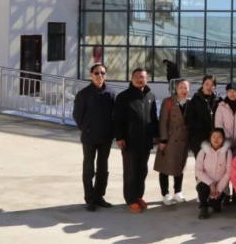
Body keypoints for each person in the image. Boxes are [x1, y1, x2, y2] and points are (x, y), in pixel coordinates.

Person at [73, 63, 116, 212]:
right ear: (91, 75)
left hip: (106, 137)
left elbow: (114, 114)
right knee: (89, 169)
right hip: (89, 137)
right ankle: (90, 199)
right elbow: (77, 115)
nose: (100, 76)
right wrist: (86, 128)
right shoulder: (84, 94)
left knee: (103, 168)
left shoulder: (110, 93)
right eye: (97, 73)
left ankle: (99, 196)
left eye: (102, 73)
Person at [114, 68, 158, 213]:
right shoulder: (123, 97)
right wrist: (120, 137)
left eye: (142, 77)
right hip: (130, 141)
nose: (140, 79)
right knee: (130, 171)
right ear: (132, 78)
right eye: (137, 76)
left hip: (145, 141)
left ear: (147, 79)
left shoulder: (150, 96)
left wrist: (156, 135)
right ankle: (130, 200)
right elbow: (118, 119)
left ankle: (139, 196)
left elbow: (153, 118)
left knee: (142, 170)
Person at [154, 79, 190, 206]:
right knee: (165, 167)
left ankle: (178, 191)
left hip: (183, 139)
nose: (183, 90)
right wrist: (163, 139)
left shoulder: (189, 103)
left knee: (180, 166)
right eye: (181, 87)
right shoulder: (168, 101)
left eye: (186, 88)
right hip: (169, 139)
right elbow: (163, 121)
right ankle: (165, 193)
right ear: (176, 88)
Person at [195, 128, 233, 219]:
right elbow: (198, 170)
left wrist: (218, 189)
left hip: (221, 184)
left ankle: (214, 201)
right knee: (202, 188)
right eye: (214, 136)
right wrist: (211, 184)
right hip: (206, 183)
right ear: (210, 138)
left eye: (219, 137)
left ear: (223, 139)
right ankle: (203, 207)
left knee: (216, 208)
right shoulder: (203, 151)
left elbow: (229, 172)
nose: (216, 139)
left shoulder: (227, 152)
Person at [185, 75, 219, 159]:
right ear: (202, 84)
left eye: (212, 85)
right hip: (199, 137)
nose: (209, 87)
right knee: (201, 162)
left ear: (215, 87)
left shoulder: (218, 100)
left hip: (215, 137)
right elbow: (190, 119)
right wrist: (199, 129)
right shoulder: (196, 100)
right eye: (206, 84)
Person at [215, 82, 236, 156]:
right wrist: (229, 138)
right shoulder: (221, 106)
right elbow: (218, 124)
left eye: (234, 91)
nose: (231, 93)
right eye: (229, 91)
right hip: (225, 142)